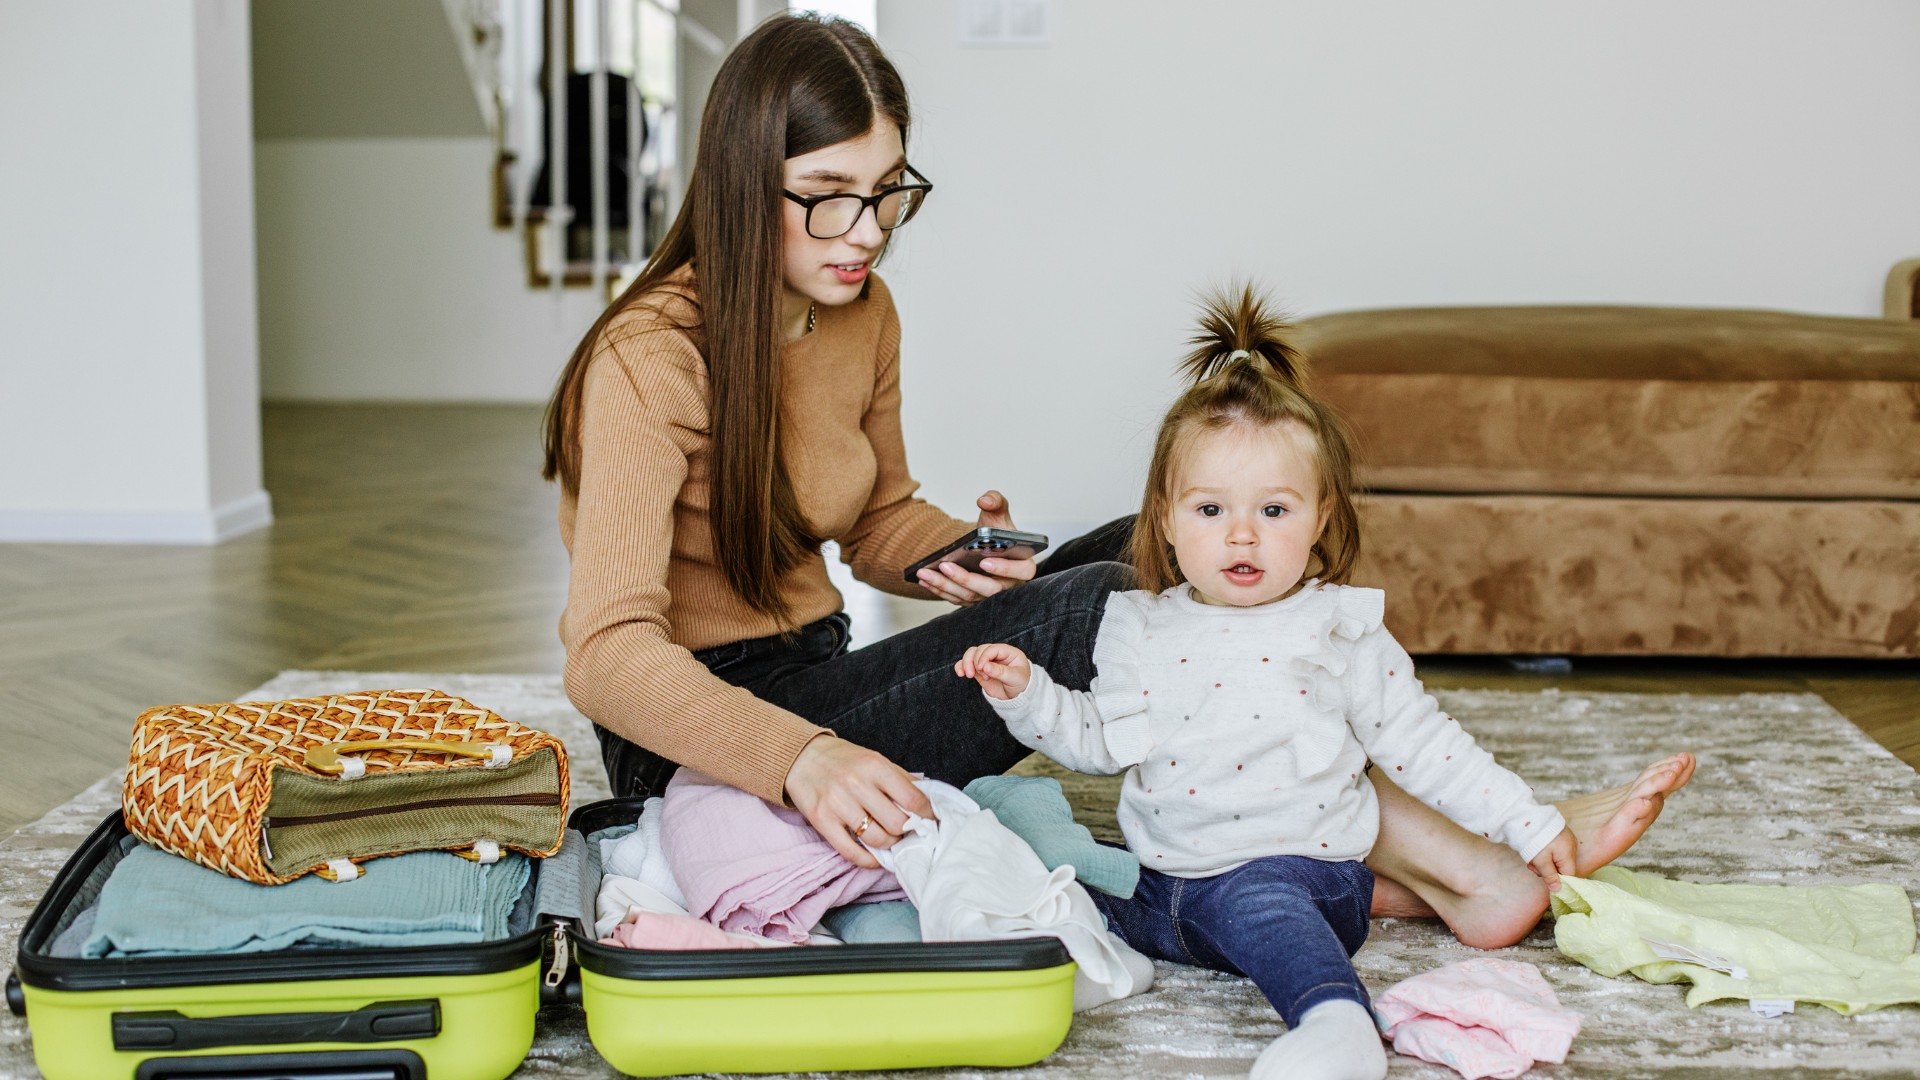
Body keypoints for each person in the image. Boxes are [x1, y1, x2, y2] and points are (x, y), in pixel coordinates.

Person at [541, 13, 1692, 955]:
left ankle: (1409, 840)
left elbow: (879, 513)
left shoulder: (858, 308)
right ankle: (1461, 860)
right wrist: (800, 758)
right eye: (830, 194)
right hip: (697, 738)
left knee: (1165, 552)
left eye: (891, 192)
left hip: (821, 669)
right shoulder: (652, 358)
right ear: (746, 184)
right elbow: (604, 655)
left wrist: (973, 554)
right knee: (1106, 611)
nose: (868, 232)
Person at [956, 286, 1601, 1078]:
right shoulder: (1138, 625)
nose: (1241, 534)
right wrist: (1027, 695)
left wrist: (1528, 823)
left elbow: (1428, 746)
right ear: (1163, 517)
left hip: (1297, 876)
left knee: (1263, 907)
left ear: (1321, 518)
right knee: (1038, 848)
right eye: (1209, 509)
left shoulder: (1337, 628)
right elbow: (1095, 744)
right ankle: (1109, 952)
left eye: (1273, 509)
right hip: (1165, 885)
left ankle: (1336, 1020)